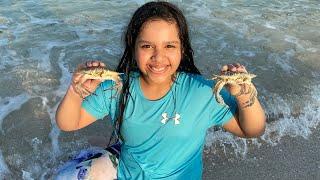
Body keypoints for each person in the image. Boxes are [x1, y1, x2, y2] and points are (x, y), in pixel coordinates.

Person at [55, 1, 266, 179]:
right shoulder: (117, 88)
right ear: (133, 47)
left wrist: (244, 95)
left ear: (182, 48)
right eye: (147, 46)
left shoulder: (201, 93)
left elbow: (251, 130)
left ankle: (108, 153)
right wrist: (76, 91)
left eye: (169, 46)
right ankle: (108, 154)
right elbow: (68, 122)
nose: (158, 57)